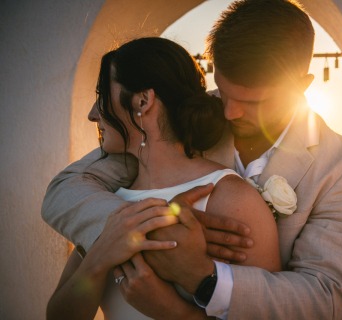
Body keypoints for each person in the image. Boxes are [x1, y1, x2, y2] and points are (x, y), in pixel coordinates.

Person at [42, 0, 342, 319]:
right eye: (224, 91)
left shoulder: (340, 166)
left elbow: (327, 298)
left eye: (252, 101)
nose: (229, 112)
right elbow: (69, 187)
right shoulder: (184, 118)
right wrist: (153, 226)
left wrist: (204, 278)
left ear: (301, 86)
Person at [45, 37, 280, 320]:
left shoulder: (230, 198)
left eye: (102, 95)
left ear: (143, 101)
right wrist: (100, 256)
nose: (92, 114)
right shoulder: (110, 204)